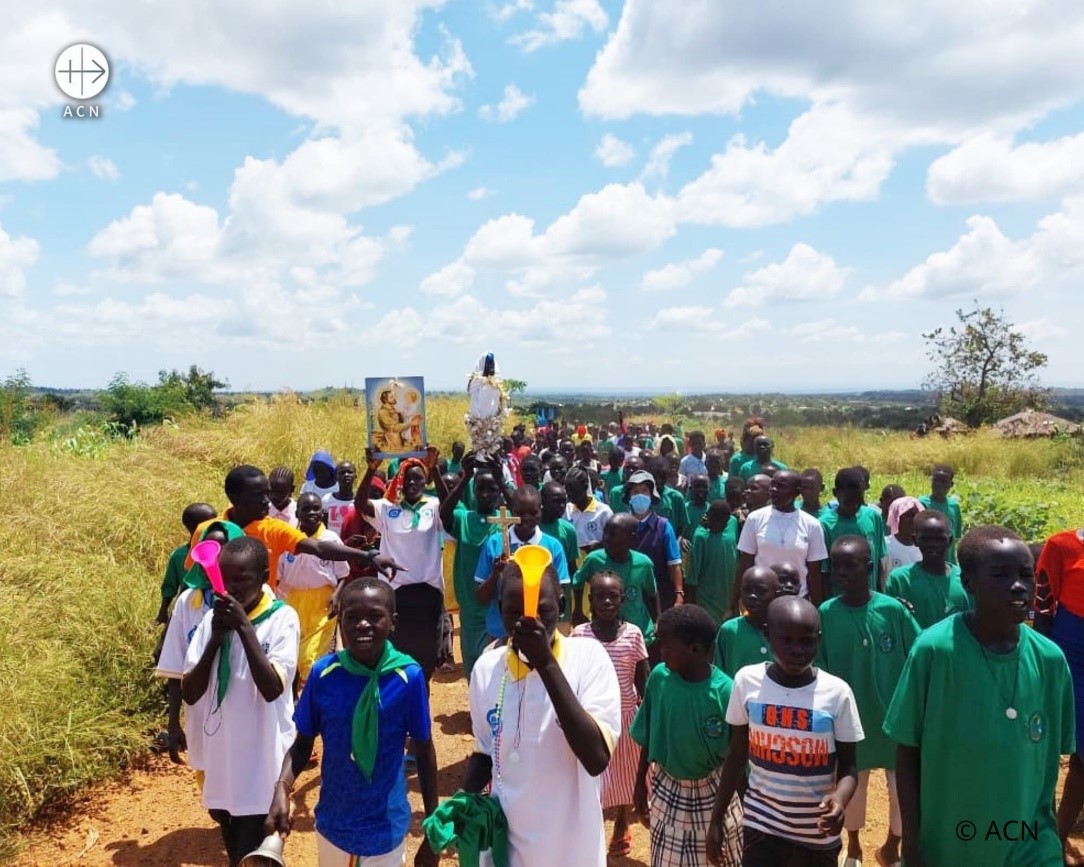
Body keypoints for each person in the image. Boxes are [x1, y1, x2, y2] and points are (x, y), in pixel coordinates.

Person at [884, 526, 1075, 867]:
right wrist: (912, 844)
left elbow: (1047, 762)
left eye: (1025, 575)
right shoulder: (936, 650)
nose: (1018, 586)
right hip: (953, 844)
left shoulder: (1050, 660)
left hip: (1029, 844)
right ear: (969, 583)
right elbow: (907, 751)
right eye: (1000, 575)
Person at [267, 578, 439, 867]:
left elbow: (423, 749)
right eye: (352, 617)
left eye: (374, 616)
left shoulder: (408, 677)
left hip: (385, 825)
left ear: (392, 622)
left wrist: (433, 828)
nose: (362, 625)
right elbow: (302, 745)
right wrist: (281, 790)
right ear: (340, 621)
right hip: (334, 824)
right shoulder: (325, 674)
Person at [464, 561, 622, 867]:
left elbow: (596, 757)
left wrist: (546, 664)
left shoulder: (589, 659)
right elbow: (485, 752)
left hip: (570, 850)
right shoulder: (487, 668)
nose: (528, 622)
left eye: (542, 610)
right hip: (505, 849)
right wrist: (458, 809)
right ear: (500, 609)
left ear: (562, 607)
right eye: (515, 612)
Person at [707, 596, 863, 867]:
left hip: (816, 834)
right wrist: (717, 819)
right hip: (761, 827)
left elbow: (849, 767)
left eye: (806, 641)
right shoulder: (746, 682)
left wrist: (839, 799)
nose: (797, 650)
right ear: (768, 635)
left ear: (819, 638)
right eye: (786, 640)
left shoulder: (837, 694)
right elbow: (736, 754)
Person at [182, 537, 301, 866]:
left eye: (242, 580)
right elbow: (191, 692)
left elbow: (273, 688)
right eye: (224, 579)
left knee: (256, 855)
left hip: (262, 766)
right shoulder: (210, 621)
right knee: (235, 850)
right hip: (223, 763)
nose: (231, 588)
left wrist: (244, 628)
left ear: (264, 577)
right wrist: (217, 639)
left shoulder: (282, 618)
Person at [817, 536, 920, 867]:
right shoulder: (826, 614)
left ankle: (893, 844)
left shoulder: (893, 611)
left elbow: (917, 656)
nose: (843, 572)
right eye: (838, 566)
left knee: (902, 789)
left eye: (852, 565)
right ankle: (855, 844)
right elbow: (819, 669)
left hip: (894, 720)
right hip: (849, 721)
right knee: (852, 785)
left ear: (870, 567)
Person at [631, 605, 743, 867]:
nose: (659, 650)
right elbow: (648, 732)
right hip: (668, 788)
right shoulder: (659, 679)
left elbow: (736, 762)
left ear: (695, 648)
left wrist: (717, 821)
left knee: (719, 857)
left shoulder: (725, 692)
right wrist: (639, 783)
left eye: (666, 644)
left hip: (714, 793)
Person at [200, 465, 400, 591]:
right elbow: (193, 580)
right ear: (234, 498)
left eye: (267, 494)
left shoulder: (275, 530)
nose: (266, 501)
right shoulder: (209, 531)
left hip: (259, 620)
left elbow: (319, 548)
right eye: (258, 495)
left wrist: (368, 557)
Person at [572, 572, 650, 858]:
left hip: (626, 718)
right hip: (591, 718)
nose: (606, 601)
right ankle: (592, 829)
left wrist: (647, 717)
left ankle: (621, 821)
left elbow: (643, 680)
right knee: (594, 776)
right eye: (600, 596)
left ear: (622, 599)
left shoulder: (633, 634)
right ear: (589, 600)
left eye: (613, 596)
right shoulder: (579, 635)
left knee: (625, 775)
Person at [155, 519, 244, 767]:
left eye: (222, 550)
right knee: (211, 792)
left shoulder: (260, 601)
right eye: (207, 549)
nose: (213, 559)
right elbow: (176, 666)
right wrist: (174, 724)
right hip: (201, 714)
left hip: (244, 716)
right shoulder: (187, 602)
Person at [356, 447, 448, 682]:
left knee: (425, 658)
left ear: (425, 481)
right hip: (396, 594)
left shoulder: (434, 506)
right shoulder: (386, 508)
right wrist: (371, 470)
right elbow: (360, 504)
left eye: (418, 478)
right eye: (407, 478)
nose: (412, 483)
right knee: (395, 654)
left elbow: (449, 509)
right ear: (399, 480)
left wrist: (434, 468)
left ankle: (420, 701)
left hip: (429, 593)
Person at [1032, 525, 1084, 850]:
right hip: (1069, 658)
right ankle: (1040, 830)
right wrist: (1040, 665)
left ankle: (1058, 837)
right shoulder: (1062, 545)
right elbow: (1043, 609)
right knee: (1046, 746)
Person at [474, 485, 570, 645]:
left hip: (541, 633)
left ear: (541, 510)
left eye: (533, 513)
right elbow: (481, 597)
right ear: (511, 510)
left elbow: (560, 593)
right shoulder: (495, 543)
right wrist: (496, 573)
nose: (526, 518)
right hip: (501, 631)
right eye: (520, 513)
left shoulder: (552, 546)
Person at [440, 455, 504, 681]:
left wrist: (503, 480)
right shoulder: (463, 519)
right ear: (473, 491)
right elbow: (444, 514)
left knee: (498, 664)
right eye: (480, 489)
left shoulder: (506, 521)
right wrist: (464, 477)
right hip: (469, 605)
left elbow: (525, 513)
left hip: (498, 608)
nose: (485, 494)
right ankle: (477, 710)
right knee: (473, 663)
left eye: (492, 489)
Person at [277, 492, 349, 688]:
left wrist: (336, 595)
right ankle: (293, 700)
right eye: (305, 509)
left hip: (322, 604)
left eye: (316, 508)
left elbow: (343, 574)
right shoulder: (288, 538)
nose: (311, 512)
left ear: (322, 512)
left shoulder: (330, 539)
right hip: (292, 602)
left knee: (311, 657)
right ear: (297, 513)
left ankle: (312, 700)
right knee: (291, 655)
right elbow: (278, 576)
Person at [731, 471, 828, 611]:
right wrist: (732, 604)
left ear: (797, 492)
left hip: (797, 602)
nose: (774, 490)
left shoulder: (812, 525)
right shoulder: (755, 519)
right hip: (761, 603)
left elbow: (814, 573)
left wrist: (817, 610)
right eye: (773, 485)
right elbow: (745, 564)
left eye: (781, 486)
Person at [572, 513, 659, 646]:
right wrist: (578, 611)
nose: (606, 538)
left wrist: (657, 620)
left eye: (613, 534)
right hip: (602, 634)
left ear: (631, 539)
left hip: (639, 634)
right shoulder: (594, 560)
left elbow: (651, 594)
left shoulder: (644, 563)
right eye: (605, 533)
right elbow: (577, 583)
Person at [885, 510, 970, 630]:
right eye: (926, 539)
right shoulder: (900, 580)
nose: (933, 544)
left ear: (950, 541)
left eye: (940, 539)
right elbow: (889, 621)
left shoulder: (964, 580)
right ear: (915, 540)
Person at [819, 468, 887, 596]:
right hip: (839, 601)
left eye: (859, 502)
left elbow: (879, 561)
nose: (854, 507)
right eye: (848, 502)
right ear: (835, 493)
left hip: (870, 598)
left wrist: (881, 594)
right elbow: (824, 572)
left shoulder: (873, 517)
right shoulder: (824, 525)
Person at [625, 470, 685, 613]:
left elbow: (674, 565)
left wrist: (679, 595)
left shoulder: (663, 526)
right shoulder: (622, 525)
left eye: (644, 491)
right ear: (629, 496)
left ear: (652, 495)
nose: (640, 495)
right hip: (628, 594)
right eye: (635, 492)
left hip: (660, 594)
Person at [157, 502, 217, 627]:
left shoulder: (220, 551)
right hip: (188, 610)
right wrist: (163, 612)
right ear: (195, 527)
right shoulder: (178, 556)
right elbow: (170, 586)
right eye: (211, 522)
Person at [714, 566, 779, 677]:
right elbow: (719, 673)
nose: (752, 596)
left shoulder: (784, 631)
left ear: (776, 595)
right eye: (747, 590)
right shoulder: (729, 630)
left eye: (761, 591)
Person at [687, 501, 738, 625]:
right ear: (707, 517)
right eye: (711, 520)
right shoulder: (700, 537)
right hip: (706, 599)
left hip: (728, 596)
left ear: (726, 522)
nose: (713, 524)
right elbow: (692, 578)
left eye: (718, 522)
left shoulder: (732, 524)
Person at [918, 465, 962, 565]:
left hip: (949, 561)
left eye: (944, 482)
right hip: (926, 561)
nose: (939, 485)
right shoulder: (922, 503)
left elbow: (955, 535)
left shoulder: (954, 506)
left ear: (951, 484)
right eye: (936, 481)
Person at [565, 466, 613, 555]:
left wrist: (599, 545)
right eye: (567, 490)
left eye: (574, 490)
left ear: (585, 486)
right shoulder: (566, 511)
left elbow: (613, 540)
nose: (569, 494)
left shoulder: (604, 512)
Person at [540, 481, 580, 577]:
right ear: (542, 501)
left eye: (564, 501)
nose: (562, 506)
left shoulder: (568, 530)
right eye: (556, 501)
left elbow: (572, 566)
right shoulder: (532, 528)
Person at [650, 456, 688, 541]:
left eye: (662, 477)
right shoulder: (644, 496)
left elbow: (682, 525)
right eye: (656, 478)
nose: (659, 481)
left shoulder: (676, 497)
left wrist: (677, 542)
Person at [884, 495, 924, 574]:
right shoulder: (885, 545)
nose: (914, 519)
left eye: (917, 514)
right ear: (896, 518)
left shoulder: (925, 545)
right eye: (909, 515)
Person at [323, 461, 357, 537]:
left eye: (350, 472)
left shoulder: (359, 501)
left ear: (355, 476)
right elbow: (323, 525)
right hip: (332, 543)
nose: (346, 475)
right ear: (336, 477)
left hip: (353, 544)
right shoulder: (327, 499)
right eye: (342, 472)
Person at [683, 474, 711, 550]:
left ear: (709, 489)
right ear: (691, 489)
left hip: (706, 550)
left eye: (704, 487)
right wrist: (682, 540)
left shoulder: (711, 510)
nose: (701, 489)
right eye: (698, 486)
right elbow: (677, 531)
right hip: (688, 551)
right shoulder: (684, 508)